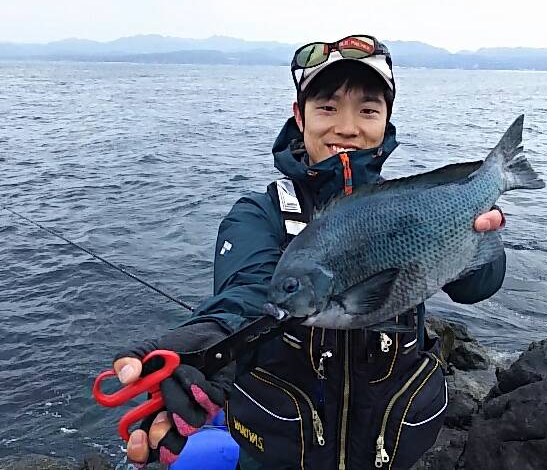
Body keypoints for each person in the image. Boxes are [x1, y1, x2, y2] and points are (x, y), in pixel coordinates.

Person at [112, 34, 505, 469]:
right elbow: (247, 294)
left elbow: (478, 288)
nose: (348, 127)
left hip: (387, 453)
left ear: (387, 120)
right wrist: (212, 342)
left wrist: (476, 235)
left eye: (368, 110)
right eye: (327, 108)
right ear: (300, 116)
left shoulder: (415, 205)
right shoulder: (258, 215)